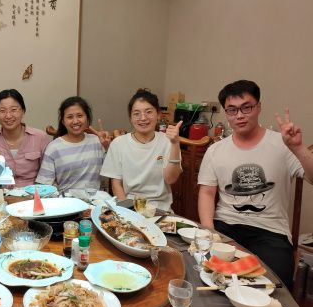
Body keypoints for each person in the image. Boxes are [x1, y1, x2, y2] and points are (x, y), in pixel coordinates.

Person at [198, 80, 313, 287]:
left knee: (273, 286)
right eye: (232, 110)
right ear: (226, 113)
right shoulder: (215, 150)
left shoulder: (282, 144)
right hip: (226, 226)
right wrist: (209, 230)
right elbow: (207, 192)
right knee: (204, 273)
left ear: (258, 107)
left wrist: (297, 148)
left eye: (246, 107)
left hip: (271, 232)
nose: (239, 115)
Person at [101, 88, 183, 211]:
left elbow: (170, 179)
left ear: (158, 114)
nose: (143, 118)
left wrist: (175, 144)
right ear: (130, 117)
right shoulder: (118, 144)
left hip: (160, 208)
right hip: (130, 206)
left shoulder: (168, 141)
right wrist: (127, 212)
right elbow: (116, 184)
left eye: (148, 112)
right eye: (136, 113)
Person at [36, 96, 105, 192]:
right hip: (67, 199)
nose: (75, 121)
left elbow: (113, 173)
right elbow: (44, 185)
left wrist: (107, 147)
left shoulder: (97, 141)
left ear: (87, 118)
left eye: (79, 116)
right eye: (70, 117)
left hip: (95, 198)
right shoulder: (54, 147)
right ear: (63, 121)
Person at [0, 89, 51, 187]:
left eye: (14, 110)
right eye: (2, 111)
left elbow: (47, 175)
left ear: (23, 111)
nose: (8, 116)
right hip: (0, 193)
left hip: (32, 192)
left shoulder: (40, 137)